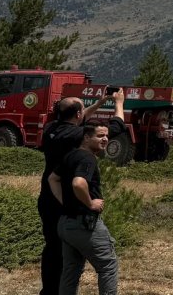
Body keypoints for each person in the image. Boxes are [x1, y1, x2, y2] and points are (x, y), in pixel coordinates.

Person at [39, 91, 125, 295]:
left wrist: (100, 103)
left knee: (55, 251)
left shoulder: (51, 129)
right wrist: (119, 103)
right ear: (79, 117)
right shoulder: (80, 139)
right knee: (103, 264)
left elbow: (79, 116)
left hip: (48, 197)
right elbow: (117, 126)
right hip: (74, 202)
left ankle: (50, 291)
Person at [49, 121, 118, 295]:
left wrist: (64, 202)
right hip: (84, 224)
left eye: (106, 135)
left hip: (66, 223)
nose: (105, 139)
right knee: (108, 266)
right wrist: (90, 203)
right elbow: (78, 183)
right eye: (100, 135)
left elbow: (52, 179)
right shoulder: (88, 158)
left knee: (71, 271)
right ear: (86, 138)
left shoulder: (71, 155)